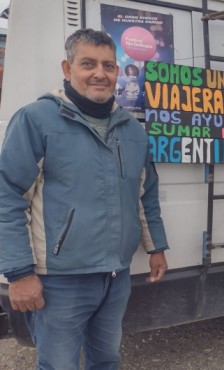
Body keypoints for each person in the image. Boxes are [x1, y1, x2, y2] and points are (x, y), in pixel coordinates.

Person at [0, 29, 169, 370]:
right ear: (67, 68)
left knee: (107, 359)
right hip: (59, 280)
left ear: (117, 73)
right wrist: (18, 273)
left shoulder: (133, 131)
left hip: (115, 276)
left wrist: (157, 248)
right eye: (88, 63)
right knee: (58, 365)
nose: (99, 73)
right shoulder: (36, 120)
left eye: (108, 65)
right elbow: (7, 197)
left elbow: (145, 192)